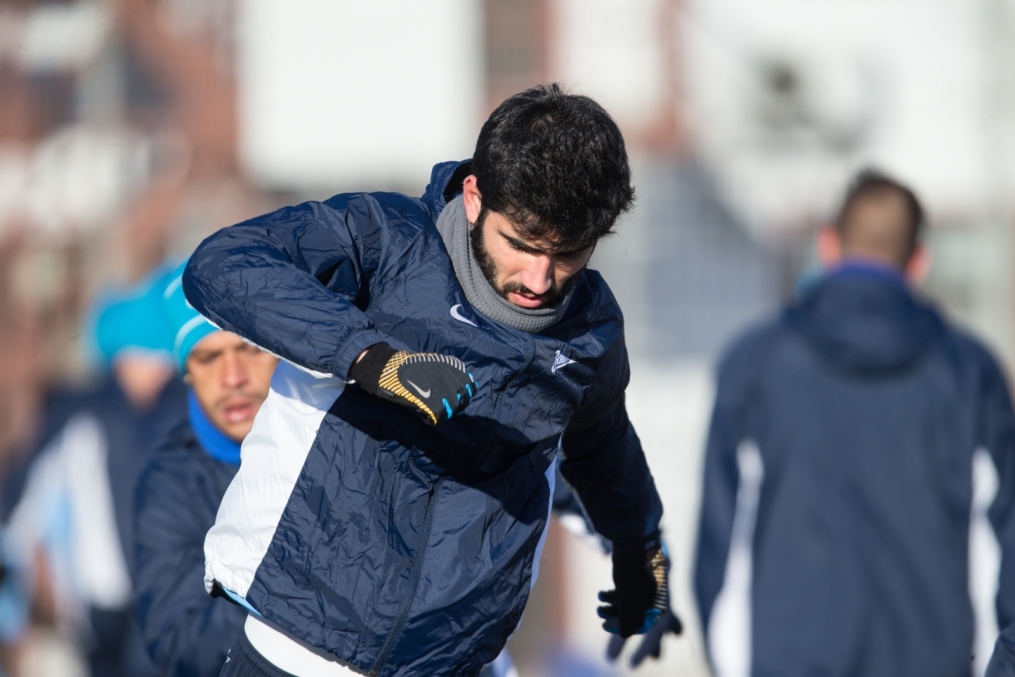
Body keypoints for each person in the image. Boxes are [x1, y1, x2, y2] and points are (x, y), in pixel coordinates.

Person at [182, 84, 674, 676]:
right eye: (520, 245)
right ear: (474, 197)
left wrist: (638, 549)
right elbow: (222, 265)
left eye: (568, 254)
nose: (540, 278)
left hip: (452, 662)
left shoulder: (592, 329)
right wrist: (371, 359)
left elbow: (603, 444)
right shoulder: (384, 239)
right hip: (298, 646)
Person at [694, 170, 1015, 677]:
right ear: (919, 262)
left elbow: (720, 547)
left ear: (827, 247)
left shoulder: (755, 366)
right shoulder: (970, 373)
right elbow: (1008, 545)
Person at [4, 266, 187, 677]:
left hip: (156, 591)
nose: (156, 369)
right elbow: (21, 497)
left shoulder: (177, 408)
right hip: (101, 594)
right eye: (147, 356)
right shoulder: (85, 413)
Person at [133, 261, 280, 677]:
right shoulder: (170, 482)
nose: (232, 377)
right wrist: (284, 581)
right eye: (209, 357)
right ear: (187, 374)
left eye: (248, 349)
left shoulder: (332, 439)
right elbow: (180, 645)